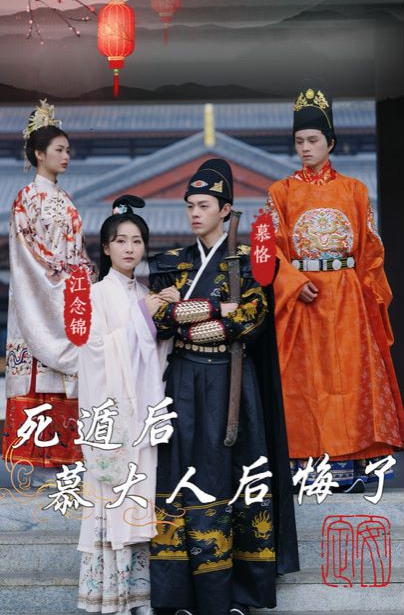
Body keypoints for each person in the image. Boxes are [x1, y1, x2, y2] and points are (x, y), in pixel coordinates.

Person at [148, 158, 299, 615]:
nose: (195, 213)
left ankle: (237, 596)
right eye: (190, 205)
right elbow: (159, 318)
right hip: (183, 381)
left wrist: (187, 312)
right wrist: (215, 310)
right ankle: (181, 597)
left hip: (232, 381)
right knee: (182, 477)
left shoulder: (250, 262)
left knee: (234, 475)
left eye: (204, 205)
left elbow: (251, 319)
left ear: (226, 209)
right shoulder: (173, 263)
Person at [266, 85, 404, 489]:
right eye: (299, 141)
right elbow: (269, 251)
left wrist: (367, 297)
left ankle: (352, 460)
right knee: (306, 382)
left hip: (346, 297)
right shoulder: (281, 192)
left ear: (330, 143)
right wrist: (293, 282)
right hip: (303, 297)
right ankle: (308, 462)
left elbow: (370, 250)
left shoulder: (354, 190)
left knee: (350, 380)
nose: (305, 148)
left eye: (312, 140)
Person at [77, 195, 166, 615]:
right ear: (106, 247)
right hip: (112, 415)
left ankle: (139, 598)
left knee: (139, 500)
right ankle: (110, 598)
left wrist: (160, 315)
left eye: (137, 241)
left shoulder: (146, 293)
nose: (130, 248)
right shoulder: (95, 295)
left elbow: (158, 356)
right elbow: (94, 353)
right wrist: (142, 318)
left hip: (142, 415)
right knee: (113, 498)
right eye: (121, 240)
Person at [2, 100, 95, 474]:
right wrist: (63, 278)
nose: (66, 156)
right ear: (39, 154)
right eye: (59, 149)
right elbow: (29, 251)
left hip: (67, 292)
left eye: (68, 150)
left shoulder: (66, 200)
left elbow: (77, 251)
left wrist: (84, 279)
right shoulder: (26, 197)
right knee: (40, 368)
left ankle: (65, 454)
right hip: (41, 294)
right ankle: (37, 457)